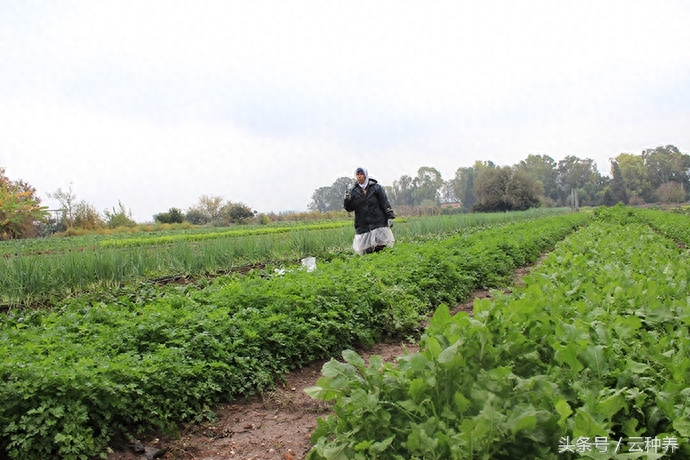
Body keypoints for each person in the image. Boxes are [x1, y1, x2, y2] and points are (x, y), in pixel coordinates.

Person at [343, 166, 395, 255]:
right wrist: (347, 200)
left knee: (383, 250)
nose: (359, 176)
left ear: (365, 175)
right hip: (363, 227)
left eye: (361, 174)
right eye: (357, 175)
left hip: (378, 224)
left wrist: (390, 216)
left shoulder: (376, 188)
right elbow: (349, 208)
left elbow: (384, 202)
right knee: (367, 253)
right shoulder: (353, 191)